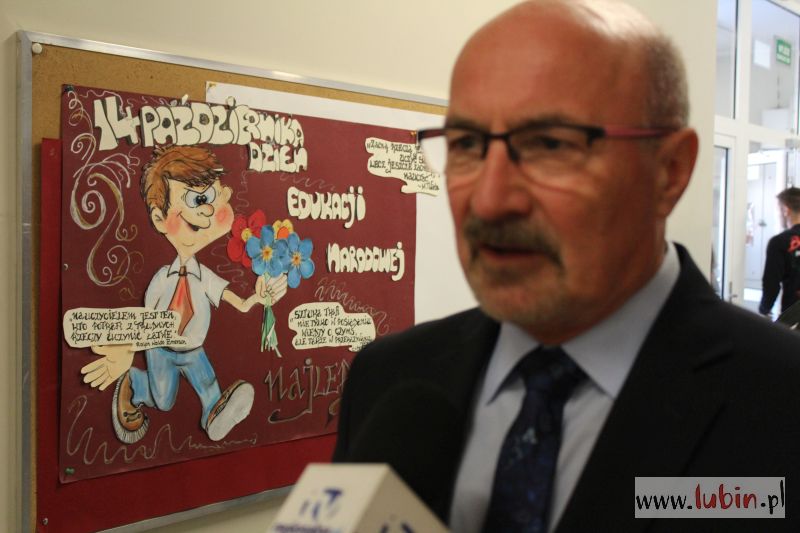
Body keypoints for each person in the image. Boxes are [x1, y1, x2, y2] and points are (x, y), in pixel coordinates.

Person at [333, 1, 800, 532]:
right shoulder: (388, 379)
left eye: (550, 144)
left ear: (669, 170)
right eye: (466, 144)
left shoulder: (782, 404)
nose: (490, 200)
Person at [80, 145, 287, 443]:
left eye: (211, 197)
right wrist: (127, 350)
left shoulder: (204, 277)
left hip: (194, 349)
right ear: (159, 219)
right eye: (196, 200)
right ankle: (136, 383)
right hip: (161, 350)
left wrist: (259, 298)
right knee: (163, 400)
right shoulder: (161, 280)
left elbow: (240, 304)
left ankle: (215, 414)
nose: (207, 210)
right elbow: (145, 323)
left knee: (209, 389)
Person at [759, 187, 800, 318]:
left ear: (786, 210)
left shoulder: (780, 242)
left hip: (794, 317)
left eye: (778, 210)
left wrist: (764, 310)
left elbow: (771, 284)